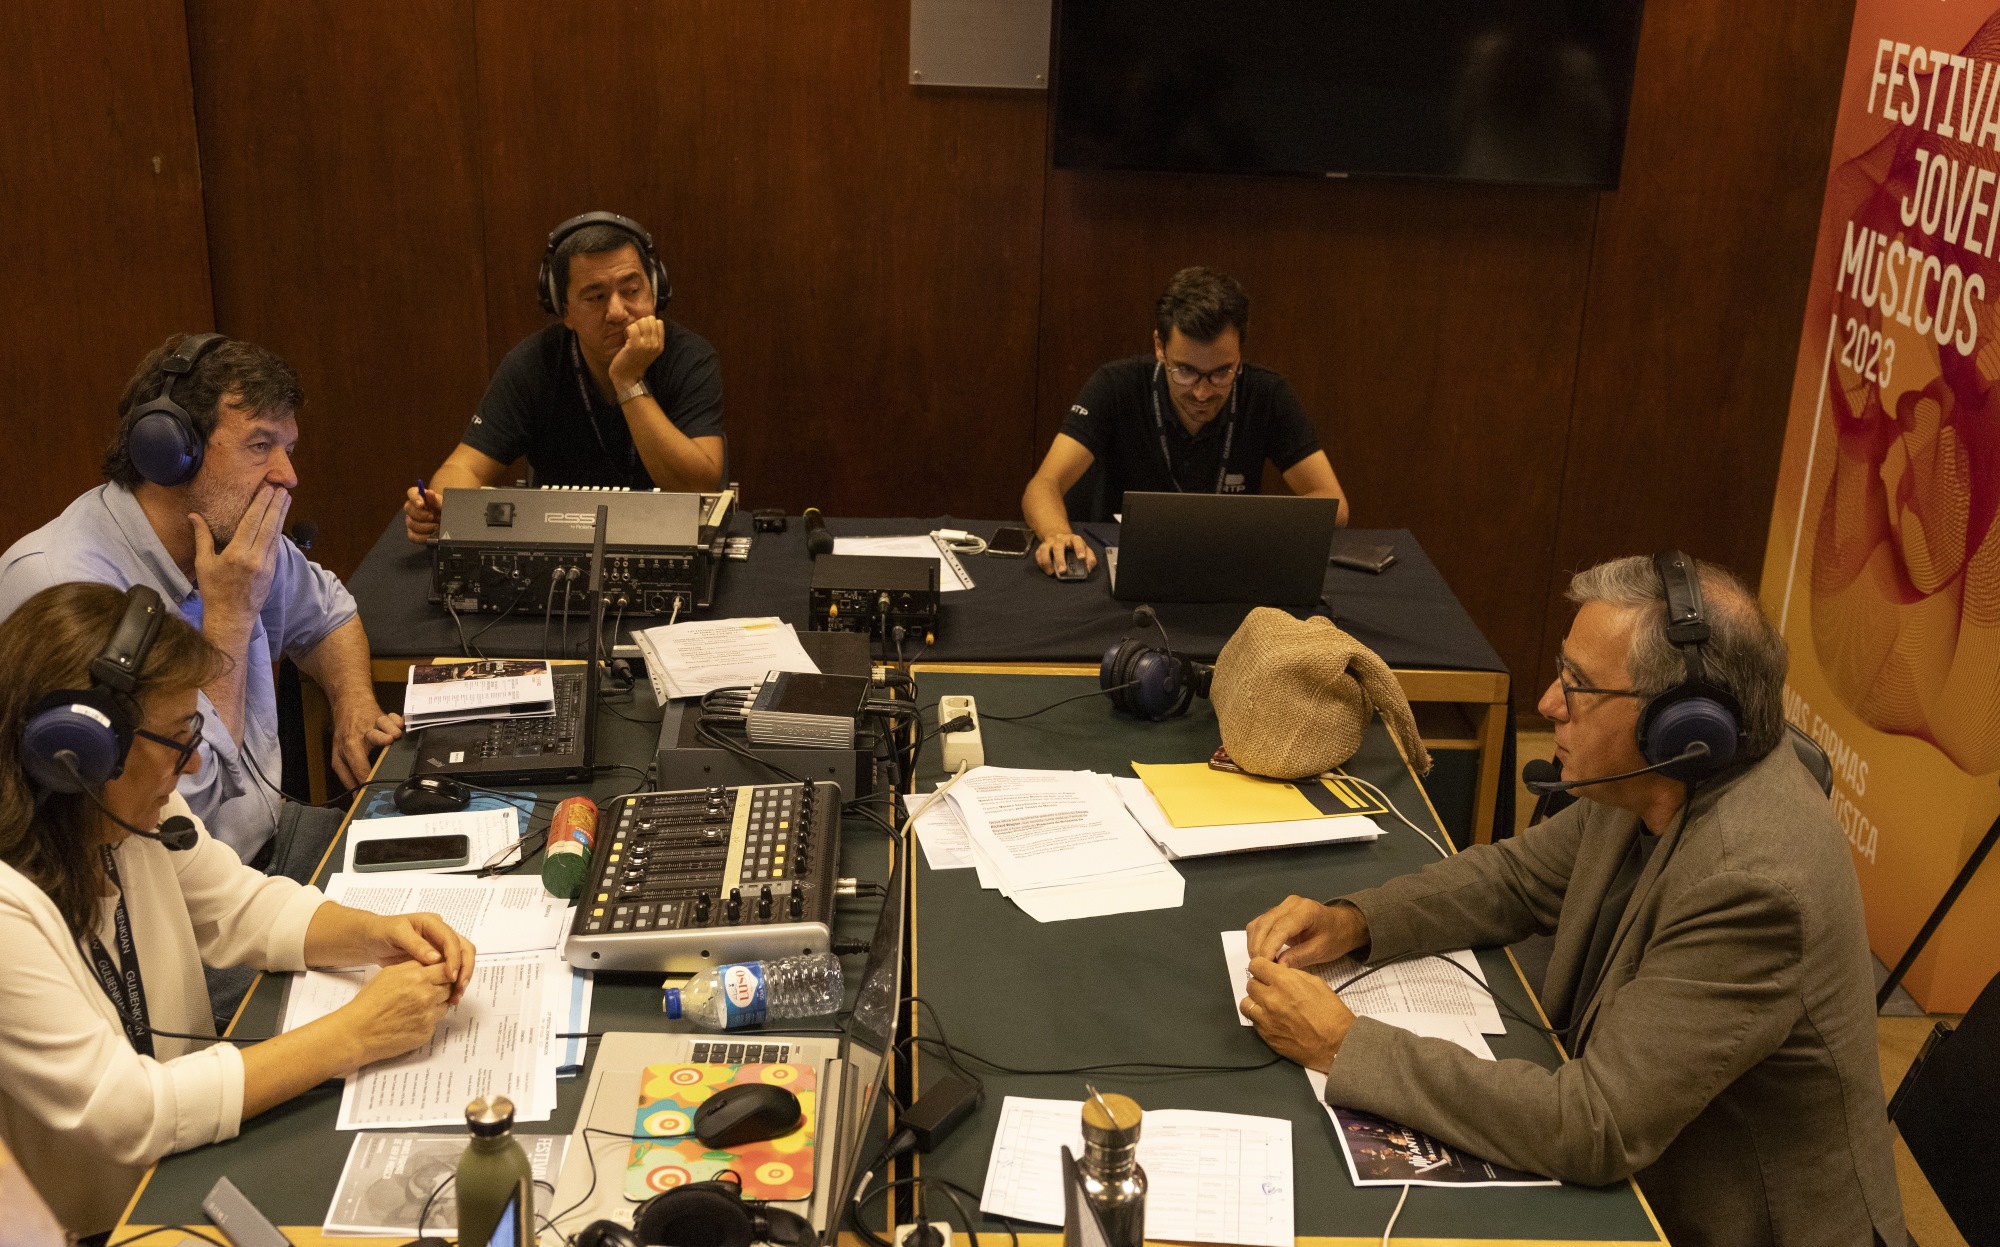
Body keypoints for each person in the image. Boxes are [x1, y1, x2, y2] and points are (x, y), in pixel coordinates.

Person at [1239, 555, 1905, 1247]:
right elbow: (1515, 878)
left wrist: (1347, 1046)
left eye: (1579, 685)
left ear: (1678, 724)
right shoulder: (1658, 776)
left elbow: (1598, 1124)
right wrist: (1354, 920)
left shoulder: (1754, 884)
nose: (1550, 702)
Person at [0, 583, 474, 1235]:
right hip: (108, 1226)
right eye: (178, 737)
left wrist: (377, 933)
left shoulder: (129, 811)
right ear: (81, 753)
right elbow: (126, 1114)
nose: (194, 760)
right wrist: (357, 1031)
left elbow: (241, 907)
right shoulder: (8, 912)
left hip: (185, 1159)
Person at [0, 335, 401, 882]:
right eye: (260, 445)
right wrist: (230, 616)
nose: (287, 474)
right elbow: (185, 813)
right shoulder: (67, 591)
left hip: (271, 843)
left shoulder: (233, 537)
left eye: (288, 447)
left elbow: (329, 615)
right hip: (179, 890)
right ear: (167, 453)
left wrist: (353, 703)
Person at [403, 211, 725, 541]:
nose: (617, 312)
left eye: (631, 290)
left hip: (666, 538)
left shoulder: (689, 357)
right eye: (596, 297)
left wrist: (628, 382)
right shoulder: (532, 364)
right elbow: (465, 467)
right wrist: (440, 508)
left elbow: (700, 487)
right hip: (561, 541)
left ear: (655, 290)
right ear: (565, 310)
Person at [1020, 266, 1347, 576]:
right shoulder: (1115, 386)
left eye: (1222, 372)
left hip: (1232, 565)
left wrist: (1248, 526)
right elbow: (1043, 486)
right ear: (1160, 347)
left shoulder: (1268, 394)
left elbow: (1335, 504)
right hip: (1128, 563)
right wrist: (1058, 535)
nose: (1202, 393)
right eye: (1186, 371)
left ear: (1240, 353)